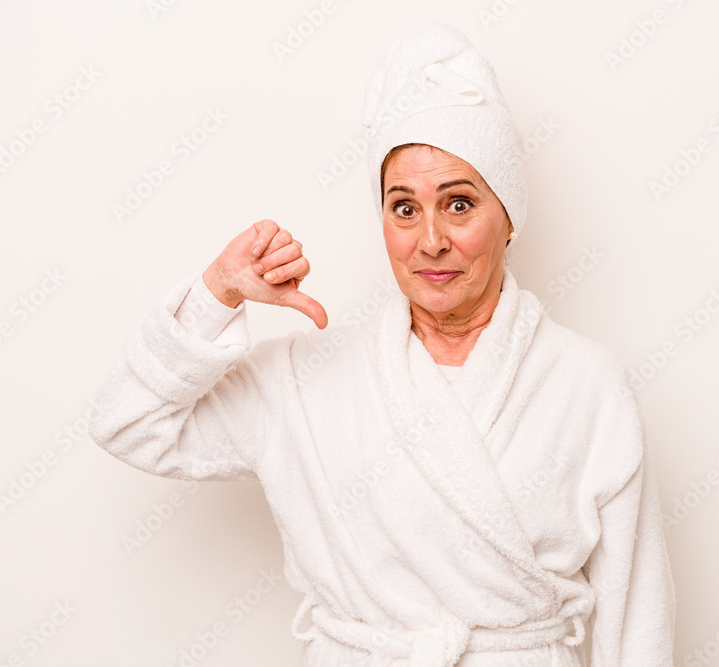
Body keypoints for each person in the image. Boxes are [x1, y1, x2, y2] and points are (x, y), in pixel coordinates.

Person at [88, 22, 675, 666]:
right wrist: (216, 294)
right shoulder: (300, 380)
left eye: (458, 204)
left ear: (507, 216)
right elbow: (126, 423)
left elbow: (636, 609)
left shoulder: (586, 383)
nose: (430, 241)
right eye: (404, 208)